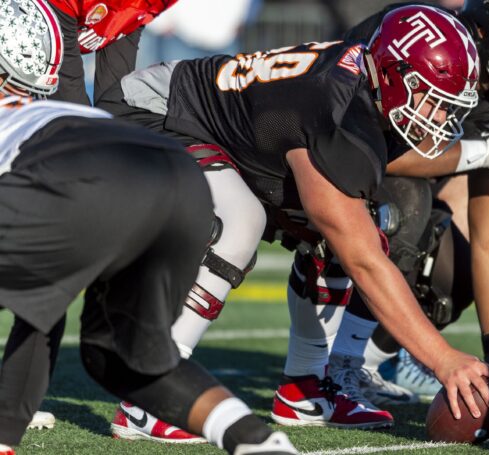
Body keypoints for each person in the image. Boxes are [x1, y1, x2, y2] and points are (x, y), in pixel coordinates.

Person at [95, 4, 489, 438]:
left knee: (346, 229)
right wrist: (442, 357)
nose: (439, 119)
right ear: (393, 74)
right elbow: (365, 262)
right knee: (240, 222)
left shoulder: (362, 90)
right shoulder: (334, 111)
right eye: (431, 99)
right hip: (148, 113)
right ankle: (152, 388)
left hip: (222, 134)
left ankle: (305, 389)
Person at [0, 1, 298, 454]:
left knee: (42, 298)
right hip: (174, 174)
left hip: (87, 179)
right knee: (120, 358)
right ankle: (253, 440)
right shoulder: (55, 107)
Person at [324, 0, 489, 415]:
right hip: (328, 174)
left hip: (390, 195)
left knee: (467, 253)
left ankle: (371, 360)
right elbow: (365, 151)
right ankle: (335, 364)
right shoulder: (423, 39)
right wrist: (487, 152)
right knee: (406, 202)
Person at [47, 0, 179, 106]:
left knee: (117, 105)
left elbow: (114, 94)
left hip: (123, 13)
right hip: (42, 32)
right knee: (74, 116)